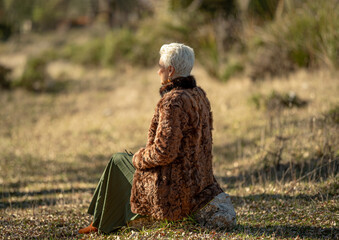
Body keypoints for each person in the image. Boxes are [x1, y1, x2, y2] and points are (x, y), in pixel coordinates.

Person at [78, 43, 223, 234]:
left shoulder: (173, 101)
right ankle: (99, 221)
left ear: (170, 71)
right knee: (122, 160)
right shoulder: (199, 95)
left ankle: (100, 224)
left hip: (173, 192)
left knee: (117, 161)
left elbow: (164, 152)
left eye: (160, 66)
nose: (158, 71)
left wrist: (138, 158)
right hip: (197, 186)